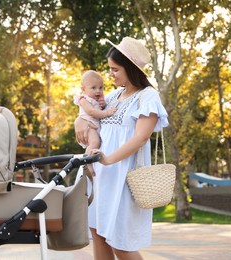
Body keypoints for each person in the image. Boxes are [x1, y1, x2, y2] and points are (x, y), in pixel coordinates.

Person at [75, 37, 169, 260]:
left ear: (130, 68)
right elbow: (89, 114)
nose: (111, 75)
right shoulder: (113, 96)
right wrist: (79, 121)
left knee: (120, 242)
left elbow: (140, 138)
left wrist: (108, 159)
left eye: (115, 69)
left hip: (123, 177)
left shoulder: (147, 97)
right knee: (98, 233)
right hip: (101, 175)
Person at [74, 70, 117, 174]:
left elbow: (97, 109)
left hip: (94, 126)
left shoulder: (96, 99)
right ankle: (87, 162)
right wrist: (106, 112)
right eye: (93, 88)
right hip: (89, 126)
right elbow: (91, 111)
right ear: (83, 89)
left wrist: (102, 104)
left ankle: (89, 161)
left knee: (97, 143)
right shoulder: (83, 99)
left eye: (101, 87)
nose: (98, 91)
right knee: (95, 143)